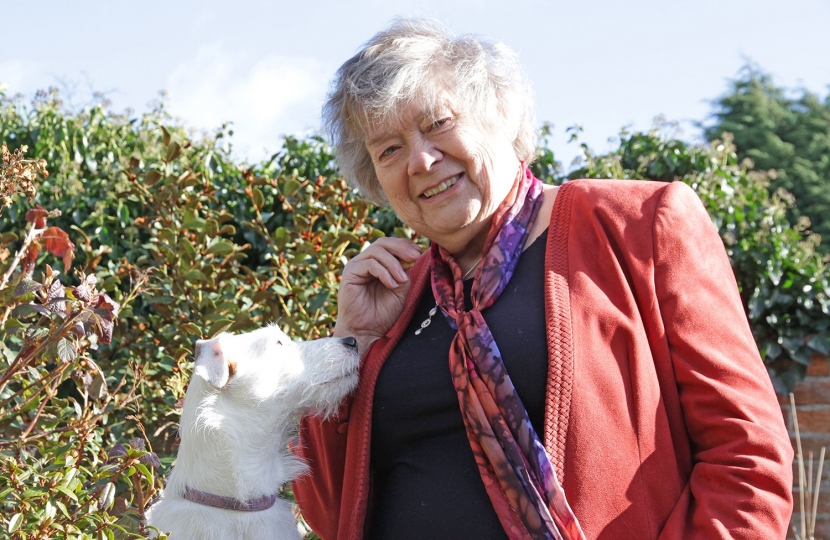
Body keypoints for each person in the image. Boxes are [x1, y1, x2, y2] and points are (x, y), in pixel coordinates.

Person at [291, 18, 794, 540]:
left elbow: (748, 459)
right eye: (388, 150)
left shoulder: (640, 225)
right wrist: (351, 346)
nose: (420, 159)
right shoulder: (396, 295)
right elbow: (332, 513)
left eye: (438, 122)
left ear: (501, 114)